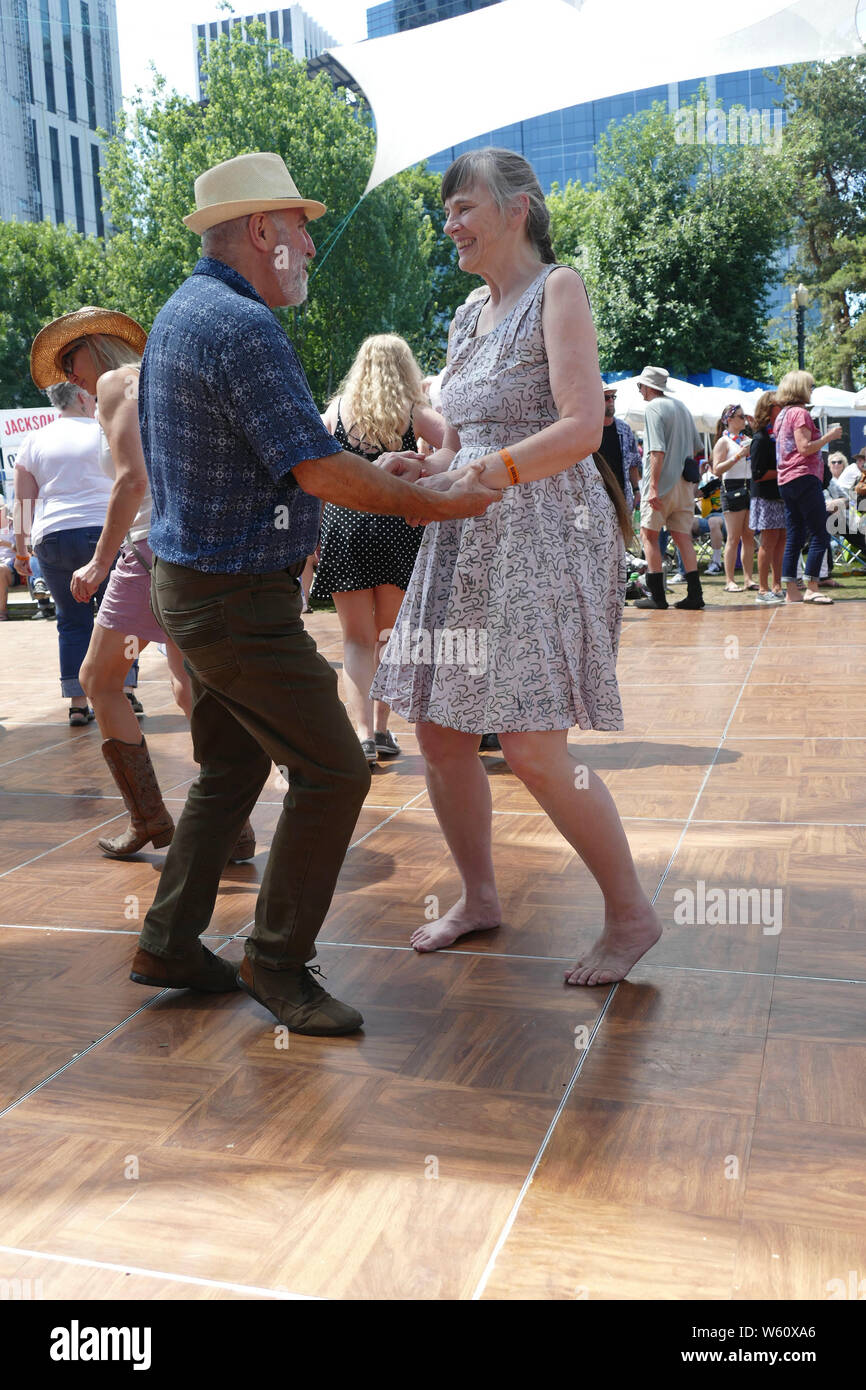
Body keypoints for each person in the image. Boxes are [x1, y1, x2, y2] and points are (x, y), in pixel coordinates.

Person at [133, 151, 498, 1034]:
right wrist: (432, 496)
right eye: (299, 226)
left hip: (191, 586)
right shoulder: (243, 327)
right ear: (262, 233)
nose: (306, 239)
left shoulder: (186, 314)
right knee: (334, 770)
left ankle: (171, 940)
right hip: (234, 598)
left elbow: (284, 465)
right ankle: (276, 959)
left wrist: (385, 473)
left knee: (229, 767)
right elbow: (316, 469)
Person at [371, 147, 662, 987]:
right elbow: (462, 440)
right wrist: (429, 472)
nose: (450, 223)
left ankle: (631, 914)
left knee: (534, 746)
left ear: (518, 210)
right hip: (464, 532)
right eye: (448, 210)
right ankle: (480, 896)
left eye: (464, 207)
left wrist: (482, 476)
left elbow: (580, 427)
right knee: (439, 733)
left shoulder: (557, 289)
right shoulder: (467, 315)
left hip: (539, 531)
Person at [27, 307, 256, 864]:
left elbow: (133, 479)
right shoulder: (160, 377)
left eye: (70, 359)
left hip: (149, 547)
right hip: (183, 547)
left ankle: (151, 819)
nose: (68, 374)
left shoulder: (113, 382)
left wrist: (98, 563)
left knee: (99, 679)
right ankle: (230, 825)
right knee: (189, 682)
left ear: (97, 348)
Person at [311, 334, 446, 765]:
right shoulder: (413, 411)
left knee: (355, 638)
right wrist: (421, 466)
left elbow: (312, 466)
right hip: (396, 523)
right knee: (388, 635)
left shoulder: (335, 411)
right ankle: (384, 729)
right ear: (404, 368)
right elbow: (457, 446)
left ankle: (364, 736)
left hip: (344, 523)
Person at [12, 382, 112, 723]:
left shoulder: (34, 440)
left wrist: (21, 551)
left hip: (52, 538)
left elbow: (23, 503)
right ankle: (124, 693)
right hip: (105, 532)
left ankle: (77, 703)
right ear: (83, 397)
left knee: (71, 622)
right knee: (119, 619)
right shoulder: (104, 430)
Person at [635, 366, 705, 610]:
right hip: (685, 484)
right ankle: (695, 594)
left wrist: (652, 487)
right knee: (682, 537)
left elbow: (656, 450)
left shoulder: (653, 408)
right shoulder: (682, 407)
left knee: (649, 535)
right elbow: (697, 449)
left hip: (662, 483)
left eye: (640, 386)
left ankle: (657, 596)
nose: (640, 391)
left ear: (648, 387)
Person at [774, 371, 842, 605]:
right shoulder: (800, 413)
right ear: (800, 387)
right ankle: (812, 587)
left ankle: (792, 591)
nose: (812, 388)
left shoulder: (782, 414)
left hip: (786, 480)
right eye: (810, 385)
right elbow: (804, 448)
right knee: (820, 533)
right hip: (803, 477)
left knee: (794, 536)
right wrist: (828, 437)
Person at [712, 404, 756, 593]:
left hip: (750, 486)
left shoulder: (747, 439)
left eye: (744, 416)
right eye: (739, 416)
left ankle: (748, 579)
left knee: (749, 536)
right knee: (733, 537)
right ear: (729, 420)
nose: (743, 419)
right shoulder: (724, 442)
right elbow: (717, 469)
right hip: (732, 487)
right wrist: (738, 456)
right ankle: (729, 580)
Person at [749, 391, 785, 603]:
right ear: (769, 408)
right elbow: (758, 474)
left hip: (779, 495)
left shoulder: (776, 436)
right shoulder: (761, 438)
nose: (783, 408)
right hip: (765, 497)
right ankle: (762, 590)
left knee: (781, 539)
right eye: (779, 405)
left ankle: (777, 585)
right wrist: (785, 471)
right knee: (769, 541)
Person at [599, 380, 639, 510]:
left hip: (622, 496)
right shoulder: (590, 430)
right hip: (598, 497)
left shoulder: (624, 429)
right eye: (606, 397)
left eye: (613, 397)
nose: (611, 401)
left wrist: (636, 490)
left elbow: (633, 463)